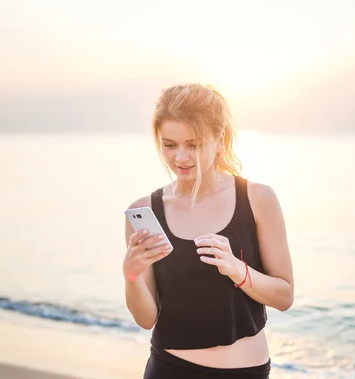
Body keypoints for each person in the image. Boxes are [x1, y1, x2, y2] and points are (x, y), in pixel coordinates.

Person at [123, 83, 294, 379]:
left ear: (219, 140)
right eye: (170, 144)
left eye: (194, 144)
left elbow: (284, 296)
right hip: (169, 368)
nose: (181, 157)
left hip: (245, 372)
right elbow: (146, 319)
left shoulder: (257, 199)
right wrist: (131, 274)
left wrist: (237, 270)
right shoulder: (145, 210)